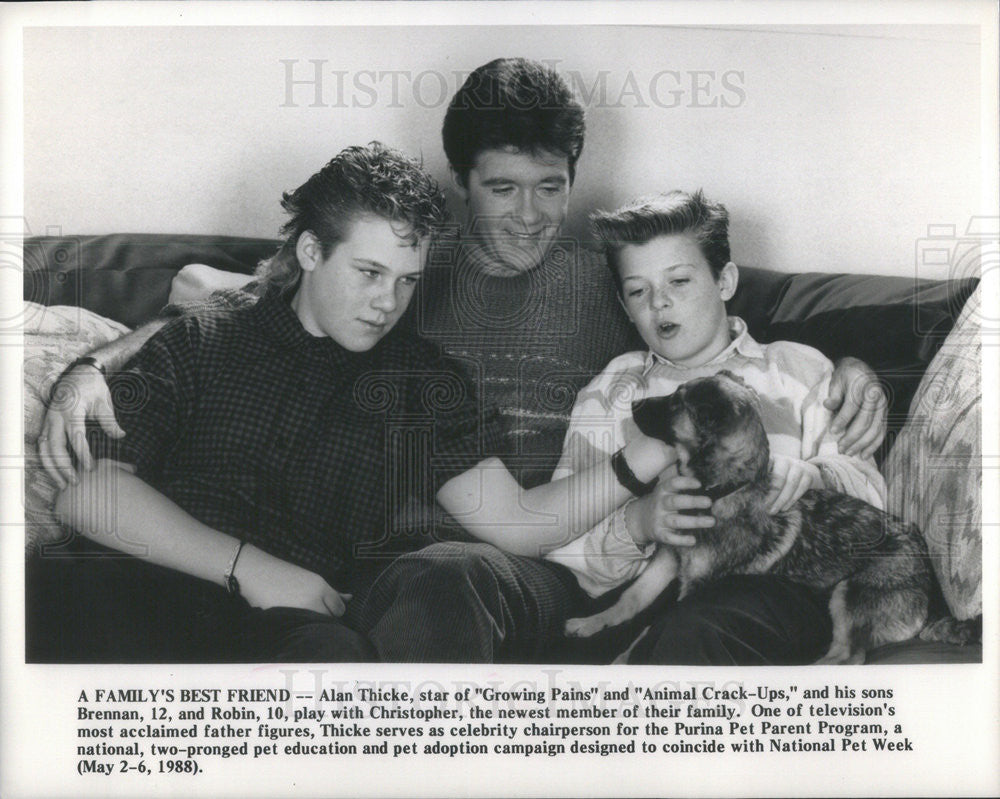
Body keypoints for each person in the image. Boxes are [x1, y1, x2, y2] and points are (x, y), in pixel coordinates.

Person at [36, 59, 886, 663]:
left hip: (504, 565)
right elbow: (210, 295)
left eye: (550, 186)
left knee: (421, 595)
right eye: (501, 188)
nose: (528, 215)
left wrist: (851, 367)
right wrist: (92, 366)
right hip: (243, 570)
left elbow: (727, 322)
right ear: (459, 184)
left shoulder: (605, 288)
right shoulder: (377, 274)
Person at [34, 142, 677, 662]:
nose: (386, 303)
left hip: (288, 628)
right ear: (312, 251)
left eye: (407, 282)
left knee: (338, 666)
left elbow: (519, 524)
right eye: (368, 273)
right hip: (136, 587)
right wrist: (247, 568)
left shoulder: (422, 379)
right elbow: (91, 495)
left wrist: (643, 456)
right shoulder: (207, 335)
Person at [547, 190, 886, 664]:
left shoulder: (799, 369)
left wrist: (818, 474)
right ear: (624, 307)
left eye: (679, 281)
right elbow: (559, 536)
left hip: (767, 591)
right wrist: (639, 523)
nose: (659, 303)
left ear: (724, 280)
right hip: (642, 589)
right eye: (638, 291)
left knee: (695, 631)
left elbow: (872, 498)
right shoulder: (613, 390)